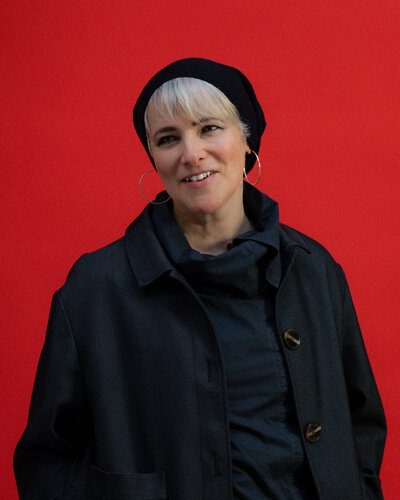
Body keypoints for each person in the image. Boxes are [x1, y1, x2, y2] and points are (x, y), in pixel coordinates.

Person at [14, 58, 386, 500]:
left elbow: (361, 422)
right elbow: (47, 461)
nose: (191, 154)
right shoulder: (96, 289)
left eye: (209, 128)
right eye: (168, 138)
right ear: (153, 158)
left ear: (247, 141)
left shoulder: (313, 269)